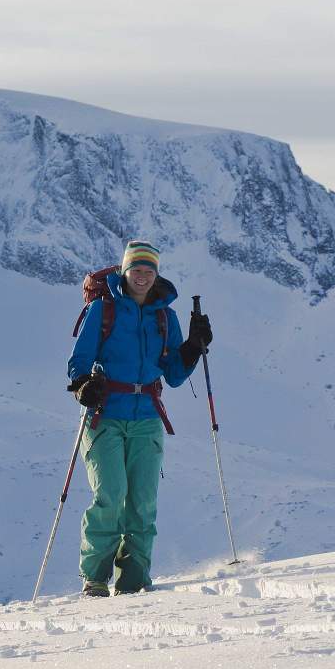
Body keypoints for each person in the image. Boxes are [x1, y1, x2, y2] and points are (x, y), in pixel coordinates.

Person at [65, 240, 213, 595]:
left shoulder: (166, 316)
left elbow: (174, 375)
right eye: (136, 269)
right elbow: (78, 362)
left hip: (147, 416)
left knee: (143, 500)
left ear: (156, 273)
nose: (143, 276)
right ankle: (95, 578)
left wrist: (193, 346)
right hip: (105, 415)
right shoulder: (103, 310)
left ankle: (133, 579)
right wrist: (83, 385)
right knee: (111, 495)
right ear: (125, 271)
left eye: (149, 270)